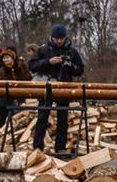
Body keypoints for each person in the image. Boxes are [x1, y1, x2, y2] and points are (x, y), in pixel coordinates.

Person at [29, 24, 84, 153]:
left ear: (65, 37)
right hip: (47, 87)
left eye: (61, 38)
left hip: (64, 88)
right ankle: (37, 148)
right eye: (56, 38)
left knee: (63, 120)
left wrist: (70, 66)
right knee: (42, 117)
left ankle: (60, 148)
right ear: (51, 37)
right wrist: (48, 62)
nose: (59, 41)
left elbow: (80, 70)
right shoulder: (43, 50)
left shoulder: (72, 52)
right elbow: (32, 66)